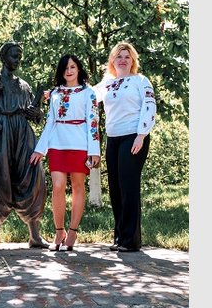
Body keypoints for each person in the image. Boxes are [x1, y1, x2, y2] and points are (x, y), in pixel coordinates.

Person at [0, 42, 49, 250]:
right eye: (14, 56)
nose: (17, 60)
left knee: (30, 177)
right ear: (3, 57)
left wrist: (37, 112)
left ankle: (35, 235)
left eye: (19, 57)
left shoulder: (24, 85)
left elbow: (36, 116)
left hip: (23, 133)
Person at [30, 54, 100, 251]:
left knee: (78, 186)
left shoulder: (89, 93)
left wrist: (94, 151)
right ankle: (59, 231)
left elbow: (93, 122)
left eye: (72, 67)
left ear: (79, 69)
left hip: (80, 144)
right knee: (58, 185)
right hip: (57, 144)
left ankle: (73, 231)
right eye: (65, 68)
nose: (69, 71)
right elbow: (50, 122)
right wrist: (40, 149)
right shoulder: (55, 93)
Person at [94, 41, 156, 252]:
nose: (122, 60)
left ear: (132, 61)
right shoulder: (107, 84)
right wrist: (57, 92)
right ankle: (120, 237)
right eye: (118, 56)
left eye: (127, 57)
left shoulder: (140, 80)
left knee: (128, 186)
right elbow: (85, 96)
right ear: (112, 60)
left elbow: (149, 106)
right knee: (116, 188)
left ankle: (131, 241)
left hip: (134, 136)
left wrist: (141, 135)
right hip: (113, 138)